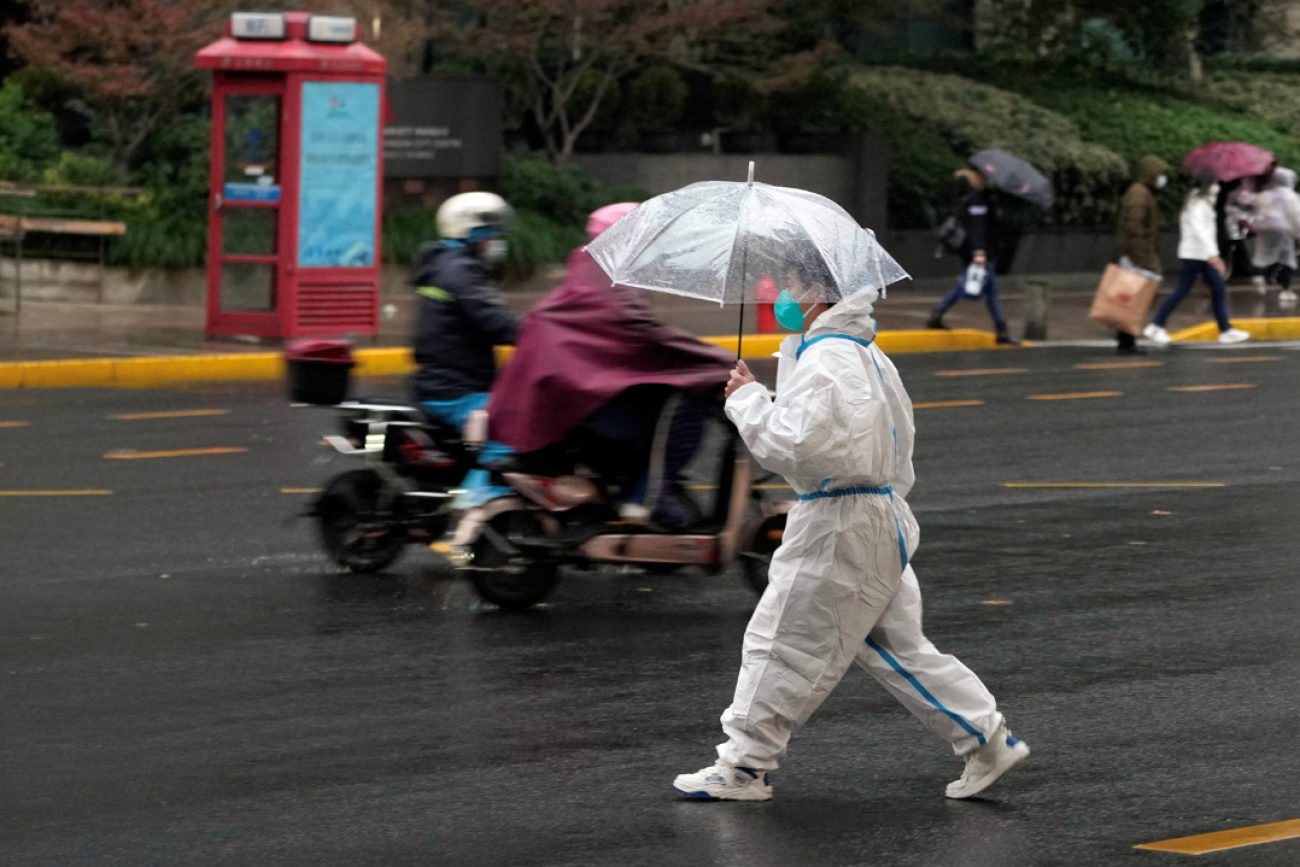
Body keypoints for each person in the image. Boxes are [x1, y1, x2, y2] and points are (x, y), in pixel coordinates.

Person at [674, 283, 1029, 802]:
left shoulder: (830, 358)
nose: (783, 296)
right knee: (893, 646)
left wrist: (747, 401)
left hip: (839, 521)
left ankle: (745, 766)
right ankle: (988, 739)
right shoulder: (862, 352)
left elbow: (794, 446)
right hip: (874, 513)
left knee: (782, 640)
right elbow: (893, 439)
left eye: (792, 285)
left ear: (819, 292)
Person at [487, 203, 733, 529]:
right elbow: (641, 334)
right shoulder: (609, 280)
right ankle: (649, 498)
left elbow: (633, 338)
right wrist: (716, 361)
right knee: (687, 403)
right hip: (589, 404)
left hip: (575, 396)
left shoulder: (591, 271)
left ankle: (636, 488)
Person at [1143, 172, 1251, 346]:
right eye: (1215, 183)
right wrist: (1214, 256)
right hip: (1194, 254)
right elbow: (1200, 231)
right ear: (1207, 185)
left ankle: (1226, 330)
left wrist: (1211, 255)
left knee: (1218, 288)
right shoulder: (1198, 205)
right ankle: (1156, 325)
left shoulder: (1200, 202)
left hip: (1201, 254)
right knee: (1183, 290)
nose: (1217, 187)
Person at [927, 168, 1019, 345]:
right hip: (978, 254)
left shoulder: (977, 199)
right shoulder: (976, 201)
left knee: (989, 291)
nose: (985, 180)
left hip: (980, 253)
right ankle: (1001, 331)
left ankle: (1001, 330)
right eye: (981, 177)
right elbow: (977, 229)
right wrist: (979, 252)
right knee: (971, 288)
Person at [1114, 156, 1168, 355]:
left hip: (1138, 254)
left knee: (1133, 300)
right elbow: (1134, 228)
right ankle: (1126, 340)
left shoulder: (1143, 193)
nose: (1162, 178)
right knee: (1135, 300)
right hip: (1138, 256)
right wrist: (1143, 259)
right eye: (1160, 173)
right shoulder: (1139, 194)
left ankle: (1125, 338)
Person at [1249, 167, 1300, 305]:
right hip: (1283, 231)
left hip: (1264, 230)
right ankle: (1285, 290)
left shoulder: (1265, 195)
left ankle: (1261, 276)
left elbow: (1254, 211)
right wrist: (1298, 234)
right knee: (1287, 260)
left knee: (1268, 257)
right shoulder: (1290, 196)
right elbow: (1296, 215)